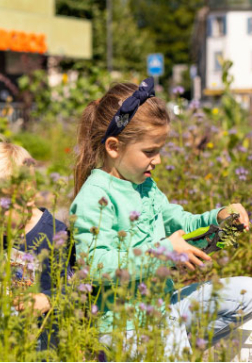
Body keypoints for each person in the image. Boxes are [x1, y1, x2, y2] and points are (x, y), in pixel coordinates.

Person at [69, 76, 252, 358]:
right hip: (124, 324)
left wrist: (220, 217)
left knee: (247, 292)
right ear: (114, 147)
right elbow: (94, 266)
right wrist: (161, 253)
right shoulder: (95, 197)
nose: (158, 160)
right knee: (170, 338)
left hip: (163, 304)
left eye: (160, 150)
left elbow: (180, 221)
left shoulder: (145, 185)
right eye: (150, 151)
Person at [0, 142, 74, 350]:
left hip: (44, 340)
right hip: (5, 335)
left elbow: (75, 288)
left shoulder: (54, 235)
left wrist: (47, 299)